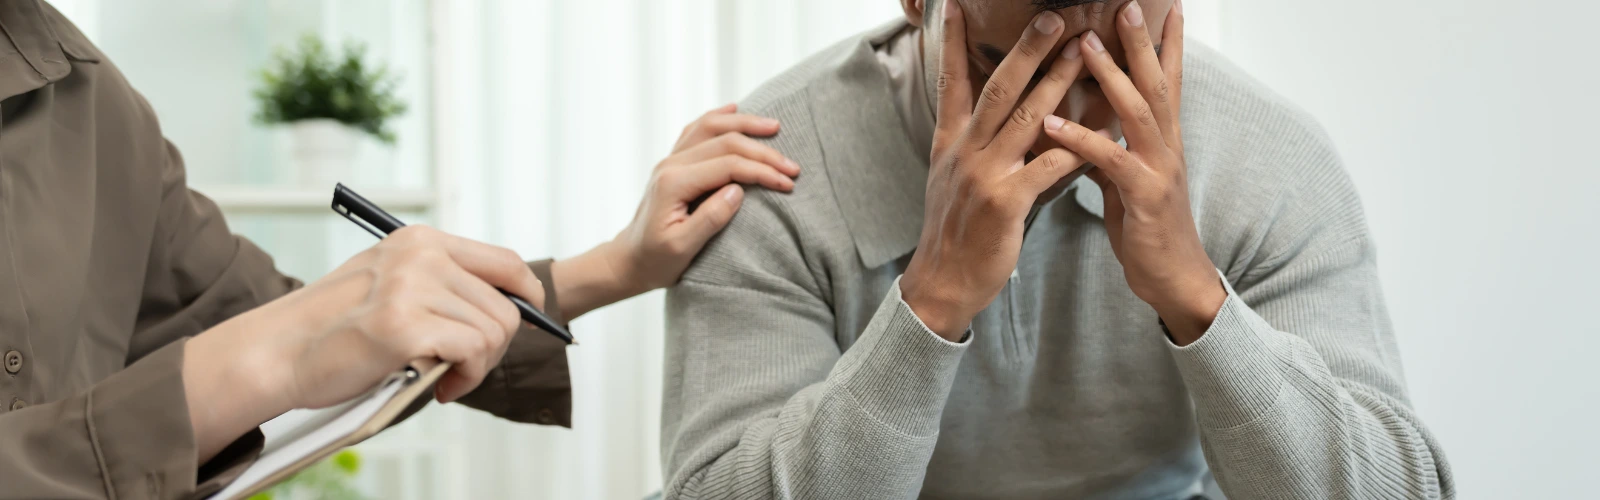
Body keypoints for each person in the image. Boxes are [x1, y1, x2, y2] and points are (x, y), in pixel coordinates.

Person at [0, 2, 800, 498]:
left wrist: (617, 265)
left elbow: (300, 321)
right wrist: (257, 362)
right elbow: (282, 337)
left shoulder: (88, 95)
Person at [660, 0, 1453, 498]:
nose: (1056, 127)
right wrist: (930, 302)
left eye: (1112, 71)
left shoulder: (1269, 159)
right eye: (1003, 66)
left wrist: (1200, 300)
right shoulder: (766, 167)